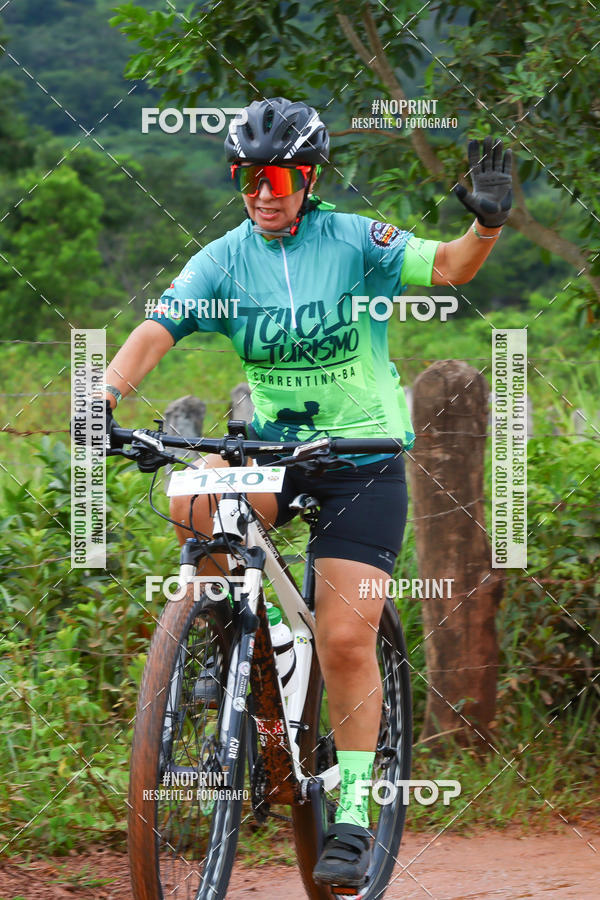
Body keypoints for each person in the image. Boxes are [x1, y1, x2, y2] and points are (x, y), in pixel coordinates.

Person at [101, 98, 512, 888]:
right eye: (250, 176)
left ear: (309, 176)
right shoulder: (223, 258)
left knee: (349, 638)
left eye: (280, 175)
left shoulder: (356, 240)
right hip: (276, 447)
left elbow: (451, 267)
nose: (264, 190)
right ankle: (233, 648)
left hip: (359, 454)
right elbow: (157, 328)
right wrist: (105, 395)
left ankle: (354, 812)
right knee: (194, 497)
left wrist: (484, 227)